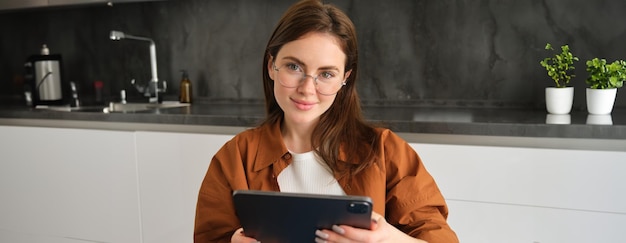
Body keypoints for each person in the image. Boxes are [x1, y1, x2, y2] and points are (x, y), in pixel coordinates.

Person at [194, 0, 459, 242]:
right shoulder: (234, 158)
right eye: (294, 67)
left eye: (326, 74)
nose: (307, 89)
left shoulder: (387, 152)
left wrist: (387, 239)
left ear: (345, 78)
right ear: (271, 66)